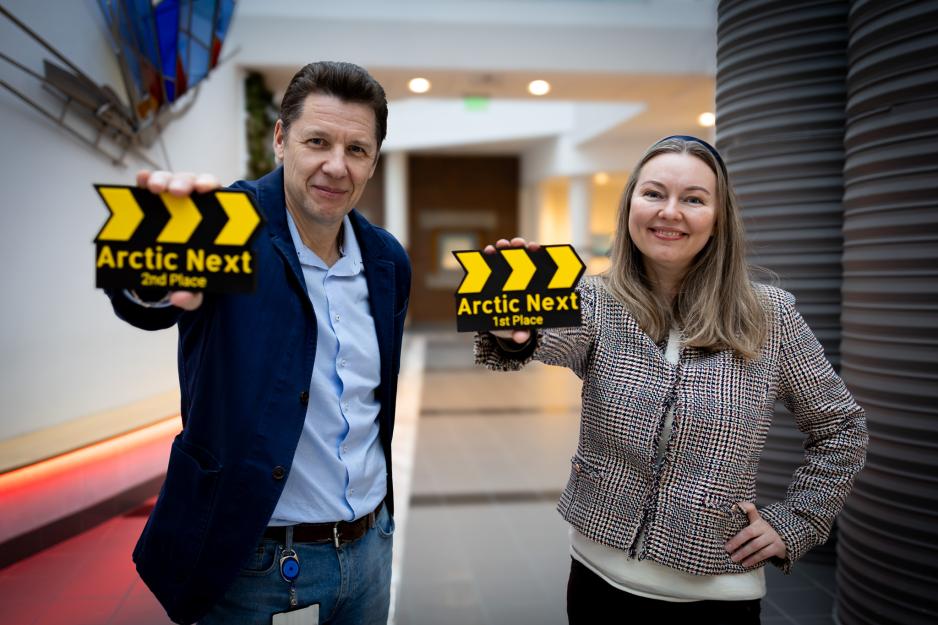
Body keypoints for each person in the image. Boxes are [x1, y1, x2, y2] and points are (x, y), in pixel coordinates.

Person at [475, 136, 868, 624]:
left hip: (716, 594)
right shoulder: (596, 300)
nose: (670, 212)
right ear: (630, 205)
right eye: (654, 193)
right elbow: (549, 339)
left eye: (694, 199)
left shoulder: (769, 316)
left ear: (719, 218)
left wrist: (797, 522)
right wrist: (518, 336)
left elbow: (841, 429)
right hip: (597, 578)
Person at [107, 61, 411, 625]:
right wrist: (151, 270)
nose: (335, 166)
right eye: (317, 141)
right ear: (280, 139)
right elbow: (143, 298)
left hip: (371, 547)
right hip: (256, 562)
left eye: (357, 150)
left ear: (373, 160)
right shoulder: (227, 226)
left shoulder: (387, 258)